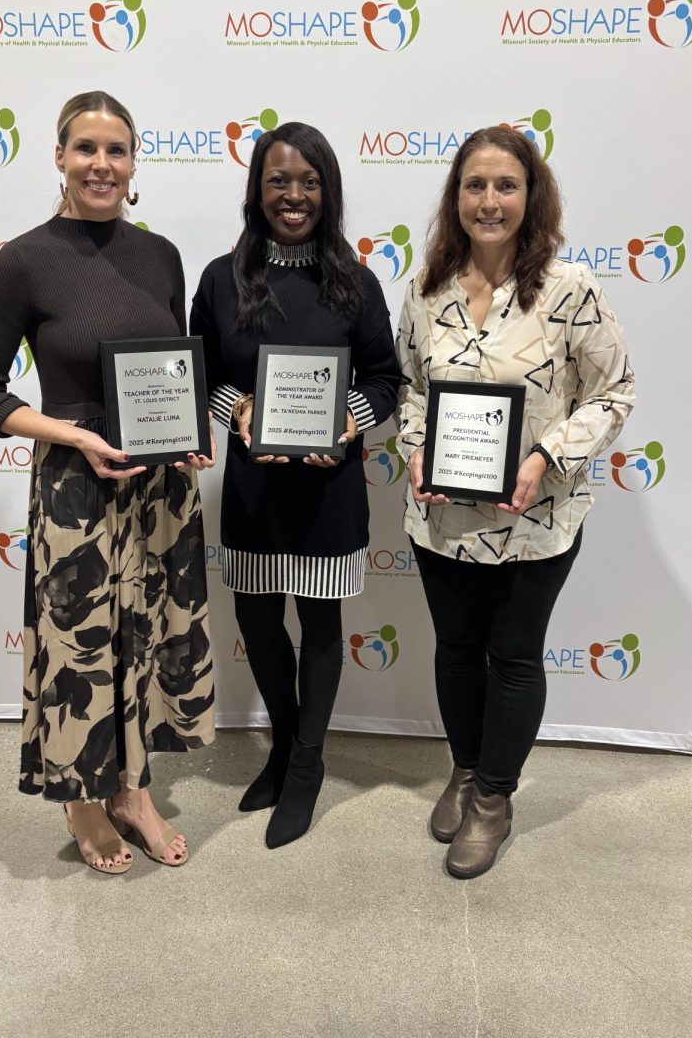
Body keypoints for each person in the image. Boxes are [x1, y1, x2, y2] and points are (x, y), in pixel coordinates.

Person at [0, 90, 215, 875]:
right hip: (75, 488)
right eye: (86, 149)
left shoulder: (161, 254)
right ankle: (80, 799)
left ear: (134, 165)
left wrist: (190, 433)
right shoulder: (24, 260)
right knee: (80, 653)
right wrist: (71, 433)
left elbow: (169, 369)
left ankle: (132, 791)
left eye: (117, 151)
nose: (102, 164)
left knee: (149, 637)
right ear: (60, 156)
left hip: (159, 491)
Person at [396, 126, 634, 878]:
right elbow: (409, 388)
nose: (489, 201)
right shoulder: (426, 286)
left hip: (536, 518)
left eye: (505, 186)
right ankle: (465, 770)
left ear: (532, 196)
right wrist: (415, 447)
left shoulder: (571, 291)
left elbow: (615, 391)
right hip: (441, 516)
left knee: (515, 656)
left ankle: (494, 798)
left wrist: (545, 456)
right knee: (458, 652)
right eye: (475, 186)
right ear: (455, 197)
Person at [191, 121, 401, 848]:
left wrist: (349, 420)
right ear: (257, 188)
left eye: (309, 181)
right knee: (256, 623)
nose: (293, 195)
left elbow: (386, 379)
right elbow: (203, 376)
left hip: (329, 493)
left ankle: (306, 767)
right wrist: (239, 411)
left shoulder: (356, 281)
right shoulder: (222, 278)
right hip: (252, 492)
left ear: (328, 191)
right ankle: (283, 743)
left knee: (318, 628)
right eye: (279, 179)